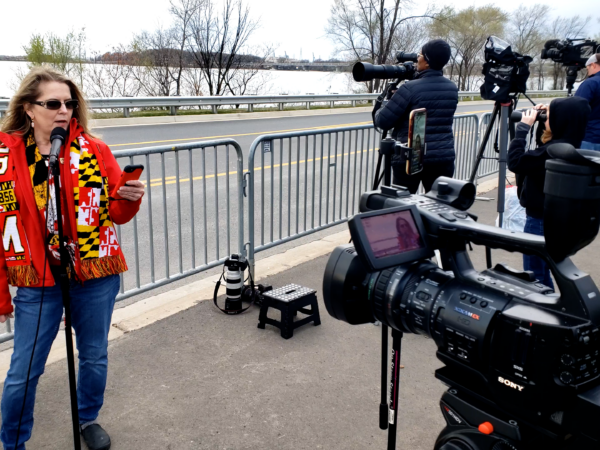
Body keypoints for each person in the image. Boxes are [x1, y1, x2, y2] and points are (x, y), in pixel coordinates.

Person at [0, 67, 145, 450]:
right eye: (53, 103)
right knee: (23, 372)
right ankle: (12, 442)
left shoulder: (94, 150)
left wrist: (129, 199)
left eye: (69, 103)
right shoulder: (4, 155)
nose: (63, 110)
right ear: (30, 109)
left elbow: (114, 212)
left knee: (94, 355)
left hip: (94, 275)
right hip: (37, 280)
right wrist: (1, 293)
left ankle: (87, 418)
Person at [507, 97, 591, 290]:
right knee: (545, 267)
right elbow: (540, 150)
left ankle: (541, 310)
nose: (544, 118)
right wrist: (549, 117)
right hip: (560, 219)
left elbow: (516, 162)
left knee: (534, 271)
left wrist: (521, 130)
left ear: (560, 121)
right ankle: (553, 300)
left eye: (549, 116)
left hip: (539, 220)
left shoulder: (552, 153)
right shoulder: (570, 146)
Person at [374, 39, 459, 193]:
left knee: (404, 208)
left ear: (427, 62)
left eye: (419, 55)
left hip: (410, 158)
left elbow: (382, 120)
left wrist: (388, 101)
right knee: (438, 208)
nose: (417, 59)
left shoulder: (410, 88)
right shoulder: (452, 88)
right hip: (442, 158)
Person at [575, 53, 600, 150]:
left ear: (593, 65)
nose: (588, 71)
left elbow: (576, 108)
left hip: (591, 138)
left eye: (588, 68)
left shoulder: (591, 83)